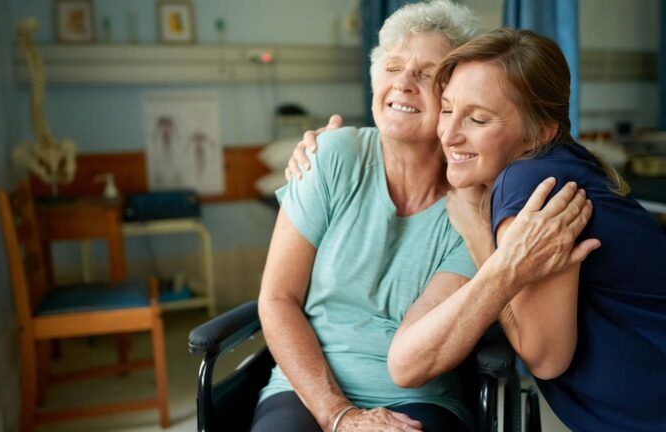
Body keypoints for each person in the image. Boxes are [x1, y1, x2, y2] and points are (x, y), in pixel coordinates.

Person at [287, 28, 666, 431]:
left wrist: (479, 236)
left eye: (478, 118)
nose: (450, 133)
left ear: (540, 132)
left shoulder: (528, 186)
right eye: (447, 109)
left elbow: (545, 358)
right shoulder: (549, 166)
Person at [254, 2, 597, 431]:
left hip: (420, 399)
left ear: (456, 95)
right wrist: (338, 413)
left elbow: (416, 360)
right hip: (303, 389)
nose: (402, 84)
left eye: (426, 74)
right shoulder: (331, 157)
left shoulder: (476, 208)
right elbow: (277, 298)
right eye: (393, 66)